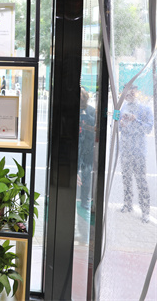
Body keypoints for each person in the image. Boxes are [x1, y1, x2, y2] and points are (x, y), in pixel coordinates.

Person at [119, 85, 154, 223]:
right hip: (125, 150)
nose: (129, 94)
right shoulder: (122, 107)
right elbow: (114, 124)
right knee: (126, 179)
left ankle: (145, 211)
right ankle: (128, 204)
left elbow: (148, 128)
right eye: (126, 91)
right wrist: (120, 123)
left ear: (136, 92)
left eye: (131, 91)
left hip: (138, 152)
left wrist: (135, 120)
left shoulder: (145, 109)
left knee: (141, 181)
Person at [76, 87, 95, 240]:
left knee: (87, 175)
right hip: (76, 147)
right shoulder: (73, 110)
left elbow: (95, 128)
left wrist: (87, 122)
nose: (81, 98)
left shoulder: (91, 111)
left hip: (87, 148)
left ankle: (84, 201)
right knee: (74, 174)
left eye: (83, 95)